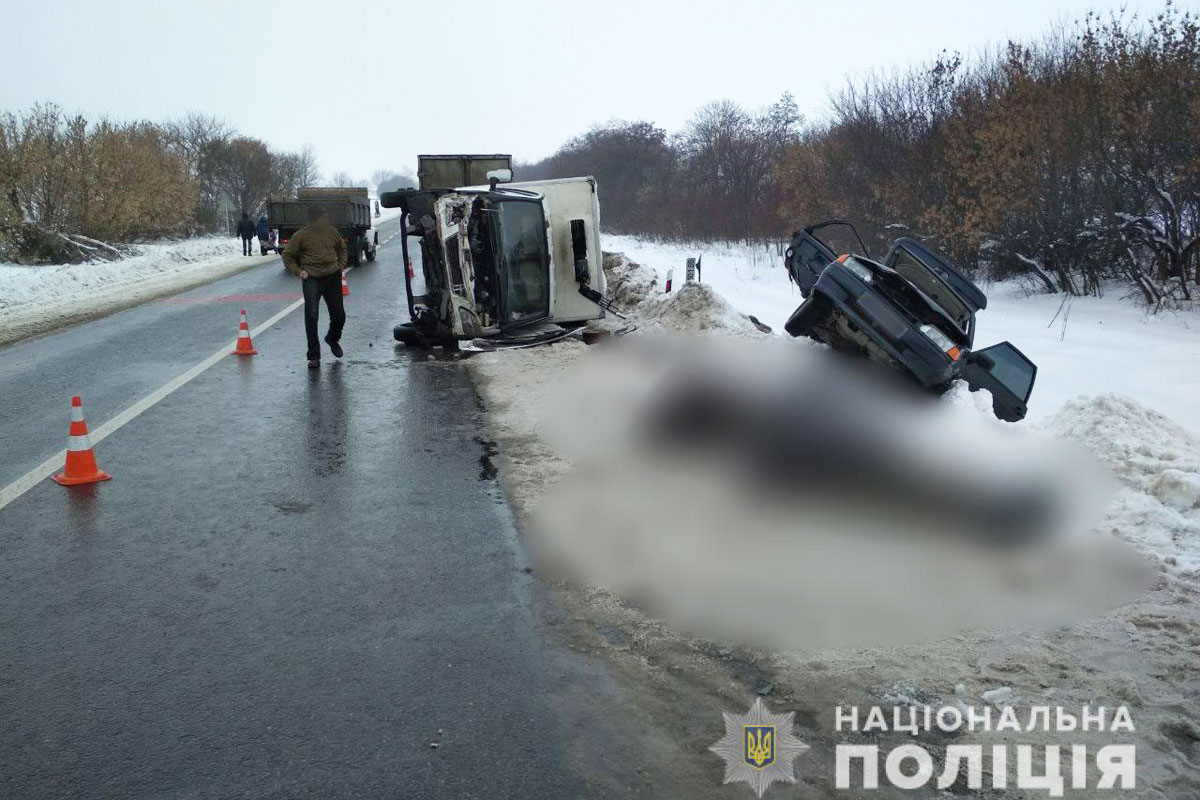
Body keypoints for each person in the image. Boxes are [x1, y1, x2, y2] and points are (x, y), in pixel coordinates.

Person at [282, 205, 347, 368]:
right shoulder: (301, 236)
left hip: (332, 276)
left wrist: (341, 264)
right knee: (311, 316)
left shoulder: (332, 232)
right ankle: (314, 356)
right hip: (312, 278)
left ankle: (332, 338)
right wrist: (298, 272)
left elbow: (342, 248)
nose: (326, 219)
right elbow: (287, 255)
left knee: (339, 314)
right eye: (323, 217)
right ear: (314, 219)